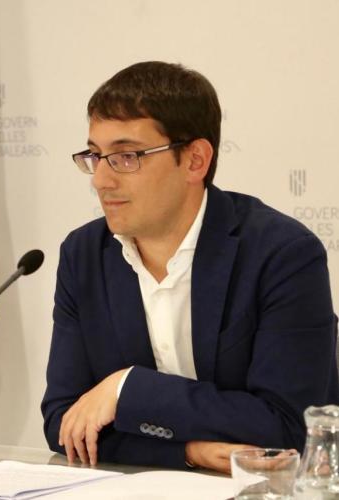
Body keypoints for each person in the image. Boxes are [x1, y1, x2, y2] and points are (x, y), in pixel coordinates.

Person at [41, 61, 339, 473]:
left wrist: (128, 388)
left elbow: (287, 429)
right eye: (95, 156)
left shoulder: (282, 255)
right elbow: (65, 422)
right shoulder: (84, 255)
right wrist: (189, 453)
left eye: (126, 156)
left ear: (195, 160)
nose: (100, 180)